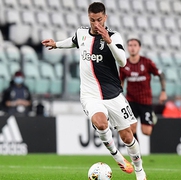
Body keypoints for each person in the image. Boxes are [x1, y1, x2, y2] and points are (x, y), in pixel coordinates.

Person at [41, 2, 147, 180]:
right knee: (100, 123)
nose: (96, 24)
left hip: (113, 94)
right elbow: (73, 41)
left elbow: (123, 62)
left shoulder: (114, 36)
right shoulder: (82, 33)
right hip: (90, 95)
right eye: (92, 20)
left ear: (105, 18)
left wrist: (109, 42)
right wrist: (56, 44)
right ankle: (117, 157)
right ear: (88, 18)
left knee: (127, 137)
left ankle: (139, 170)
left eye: (99, 20)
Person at [119, 38, 167, 141]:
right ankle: (137, 155)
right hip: (131, 101)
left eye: (135, 45)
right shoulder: (124, 64)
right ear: (127, 48)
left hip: (145, 101)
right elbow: (121, 81)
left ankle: (152, 119)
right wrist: (118, 96)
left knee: (146, 132)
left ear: (139, 48)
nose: (132, 48)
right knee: (131, 129)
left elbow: (160, 74)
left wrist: (163, 91)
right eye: (130, 45)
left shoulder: (147, 62)